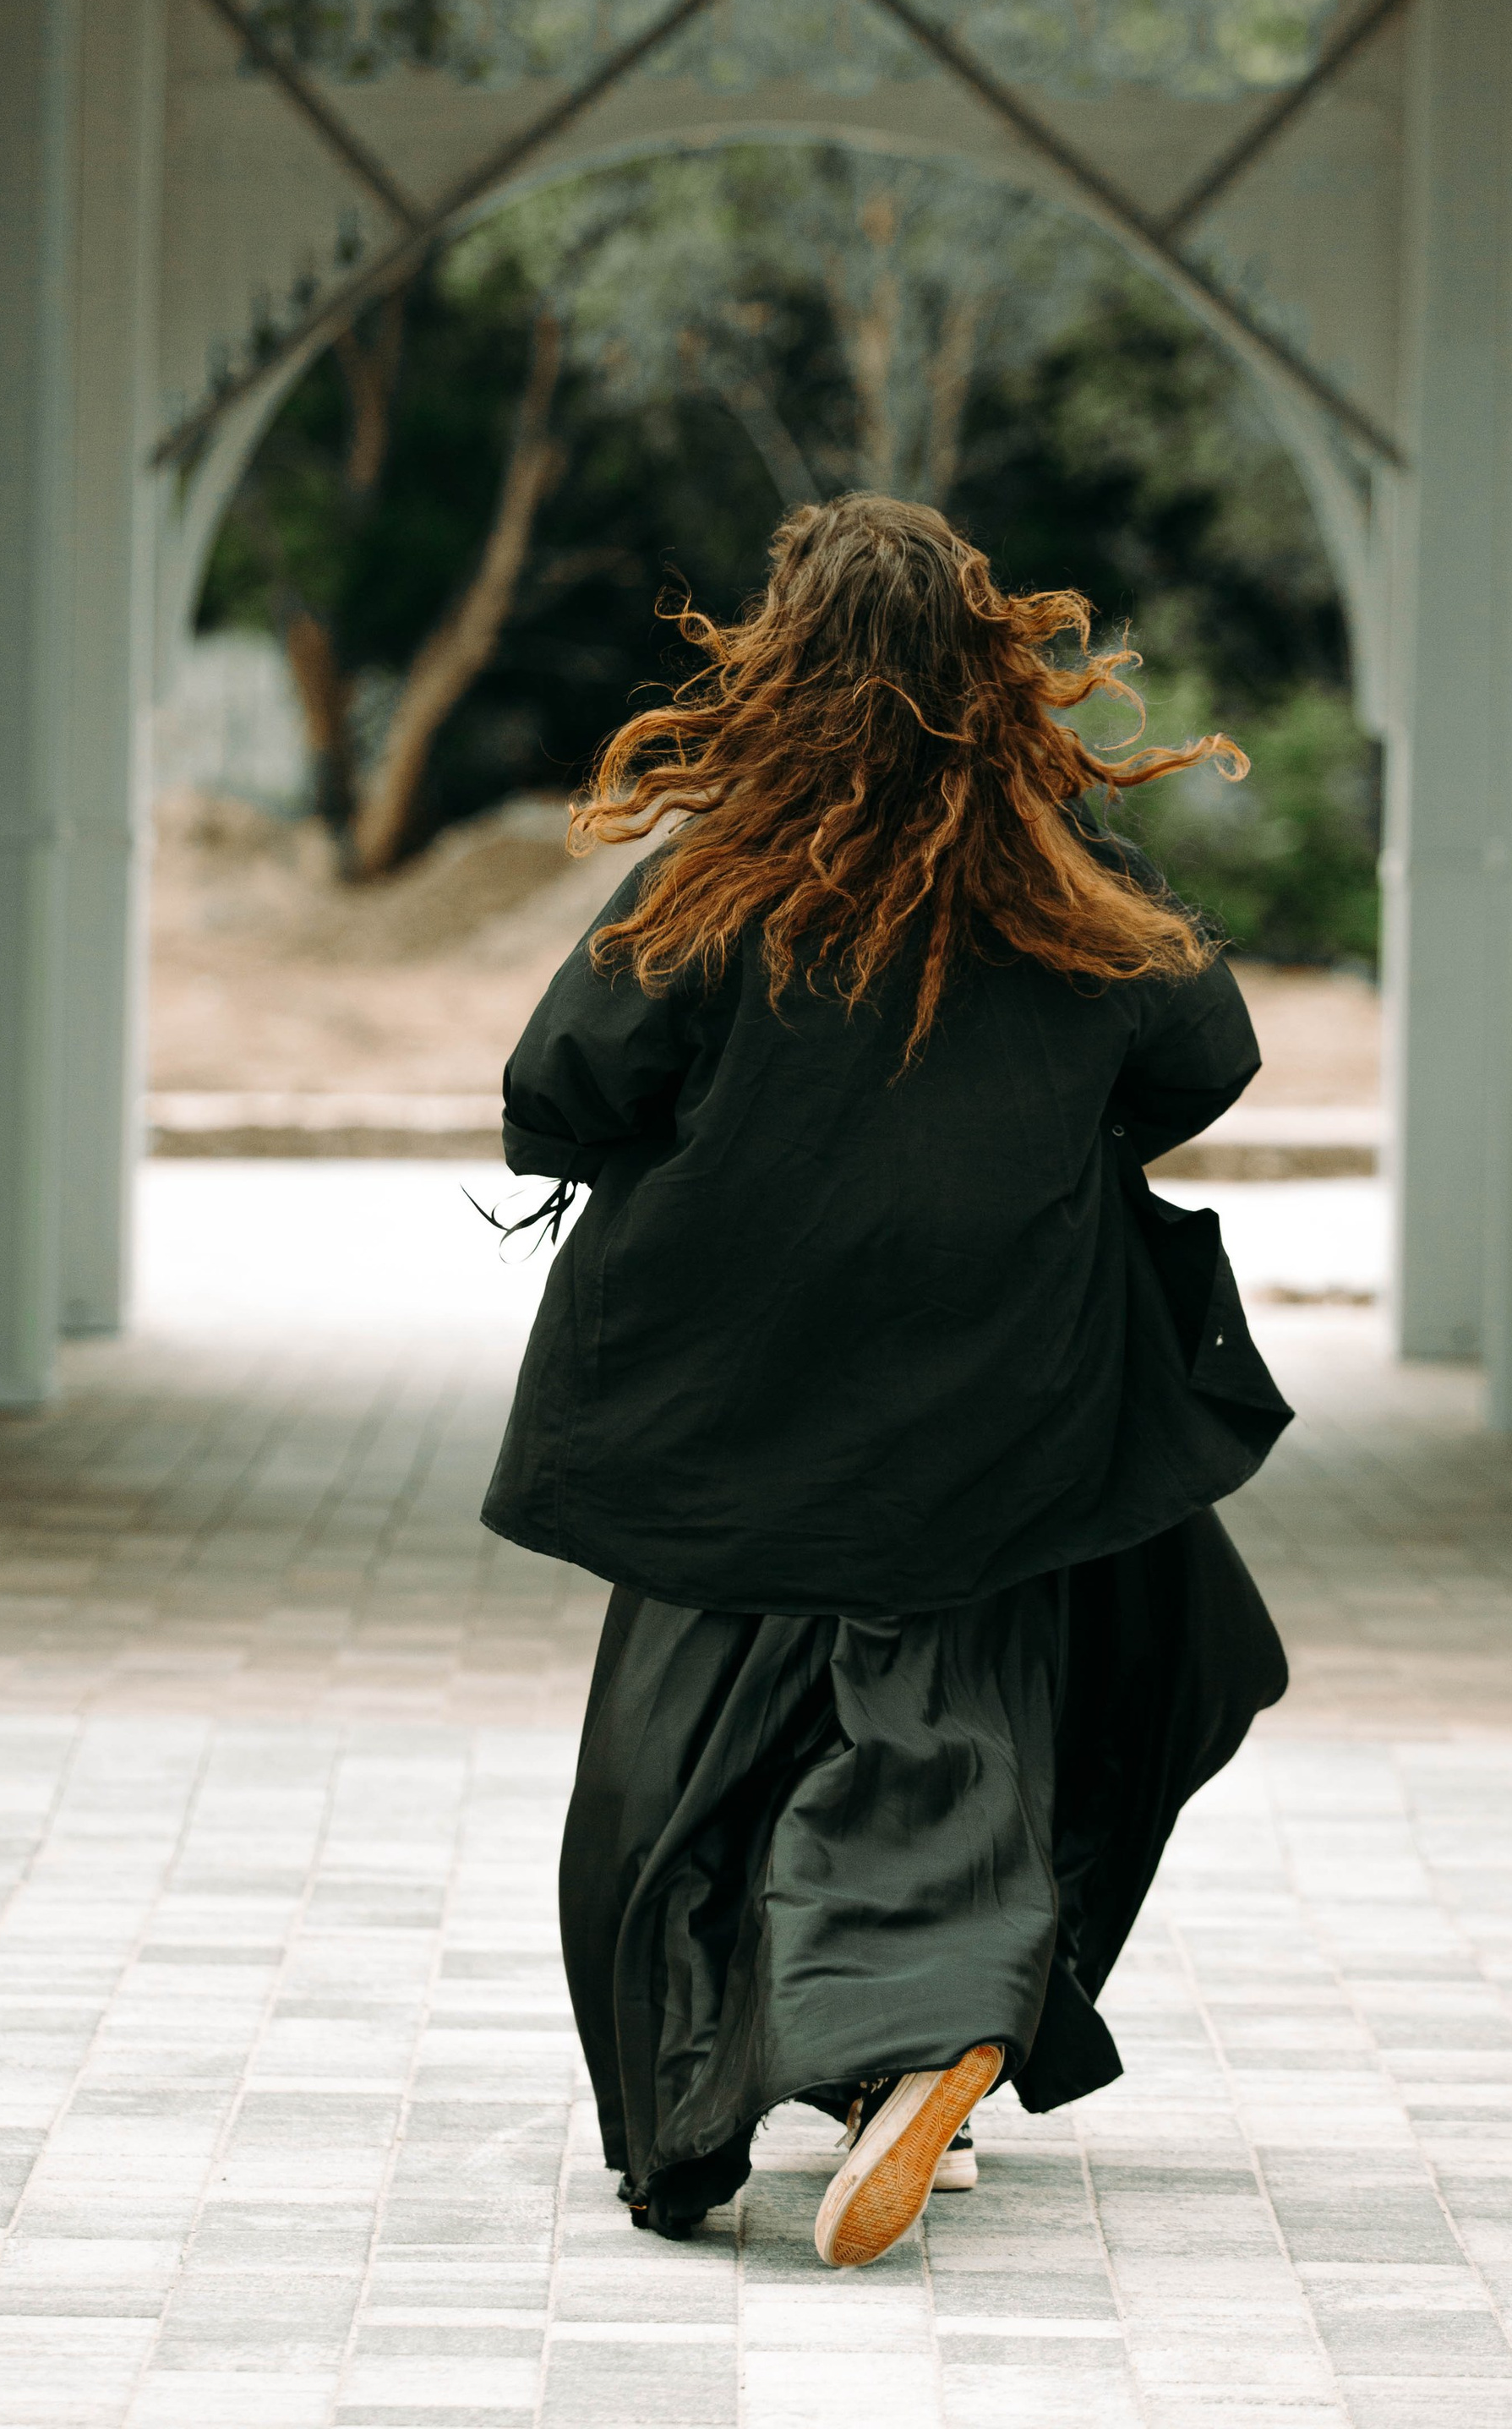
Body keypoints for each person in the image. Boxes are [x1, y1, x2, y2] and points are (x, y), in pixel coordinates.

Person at [482, 492, 1291, 2269]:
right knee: (949, 1732)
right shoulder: (1065, 877)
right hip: (994, 1406)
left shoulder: (715, 879)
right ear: (989, 666)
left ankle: (705, 2106)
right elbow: (1202, 1055)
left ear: (781, 668)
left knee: (672, 1767)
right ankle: (918, 2053)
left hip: (728, 1407)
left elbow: (558, 1092)